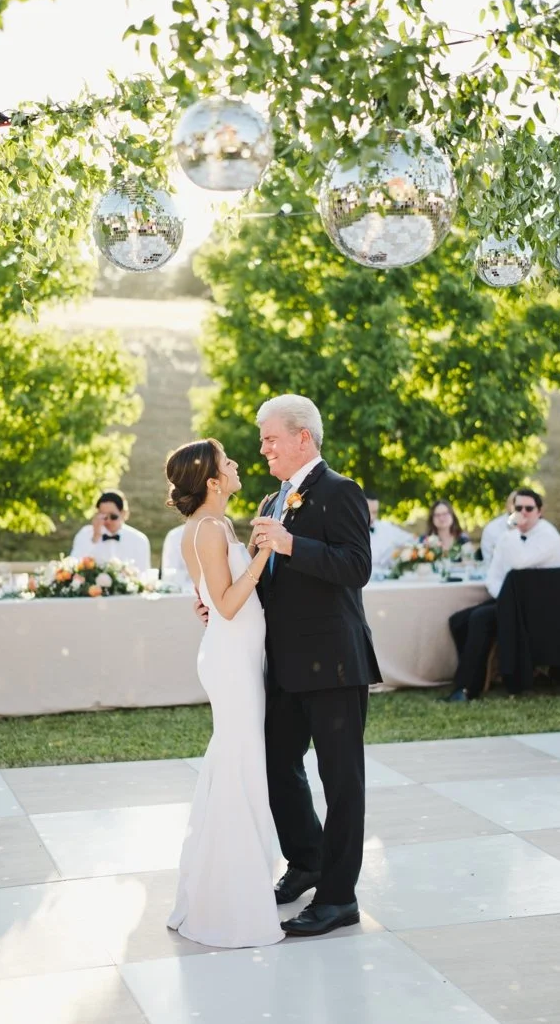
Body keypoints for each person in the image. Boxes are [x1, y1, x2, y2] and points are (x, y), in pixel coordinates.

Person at [230, 393, 380, 938]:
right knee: (275, 764)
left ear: (303, 439)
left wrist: (292, 544)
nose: (263, 448)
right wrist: (226, 601)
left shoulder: (341, 492)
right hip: (287, 664)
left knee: (342, 783)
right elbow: (271, 583)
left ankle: (340, 898)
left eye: (270, 438)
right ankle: (308, 860)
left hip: (337, 663)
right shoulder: (272, 500)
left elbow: (356, 567)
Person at [164, 438, 282, 948]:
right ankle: (230, 896)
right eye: (227, 463)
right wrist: (260, 554)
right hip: (231, 660)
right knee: (239, 765)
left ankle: (230, 879)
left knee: (233, 762)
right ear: (213, 482)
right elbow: (229, 605)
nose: (236, 466)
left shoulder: (207, 526)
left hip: (234, 654)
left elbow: (209, 599)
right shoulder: (210, 528)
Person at [443, 488, 560, 702]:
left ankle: (466, 689)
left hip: (540, 608)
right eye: (518, 508)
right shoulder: (508, 536)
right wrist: (504, 598)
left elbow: (520, 562)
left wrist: (512, 531)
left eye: (529, 509)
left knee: (480, 619)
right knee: (458, 620)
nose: (523, 513)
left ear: (540, 511)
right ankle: (480, 676)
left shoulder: (547, 534)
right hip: (511, 602)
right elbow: (494, 575)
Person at [70, 491, 152, 575]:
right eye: (103, 516)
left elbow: (144, 574)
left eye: (113, 516)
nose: (108, 520)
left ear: (123, 514)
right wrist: (95, 537)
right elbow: (73, 564)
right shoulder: (85, 534)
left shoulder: (139, 540)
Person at [365, 491, 413, 575]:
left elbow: (412, 541)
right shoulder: (348, 531)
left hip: (386, 581)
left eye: (375, 512)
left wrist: (398, 553)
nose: (372, 517)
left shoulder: (386, 528)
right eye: (368, 512)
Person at [480, 491, 518, 563]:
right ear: (507, 505)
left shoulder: (539, 528)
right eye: (514, 502)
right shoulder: (492, 528)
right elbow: (488, 560)